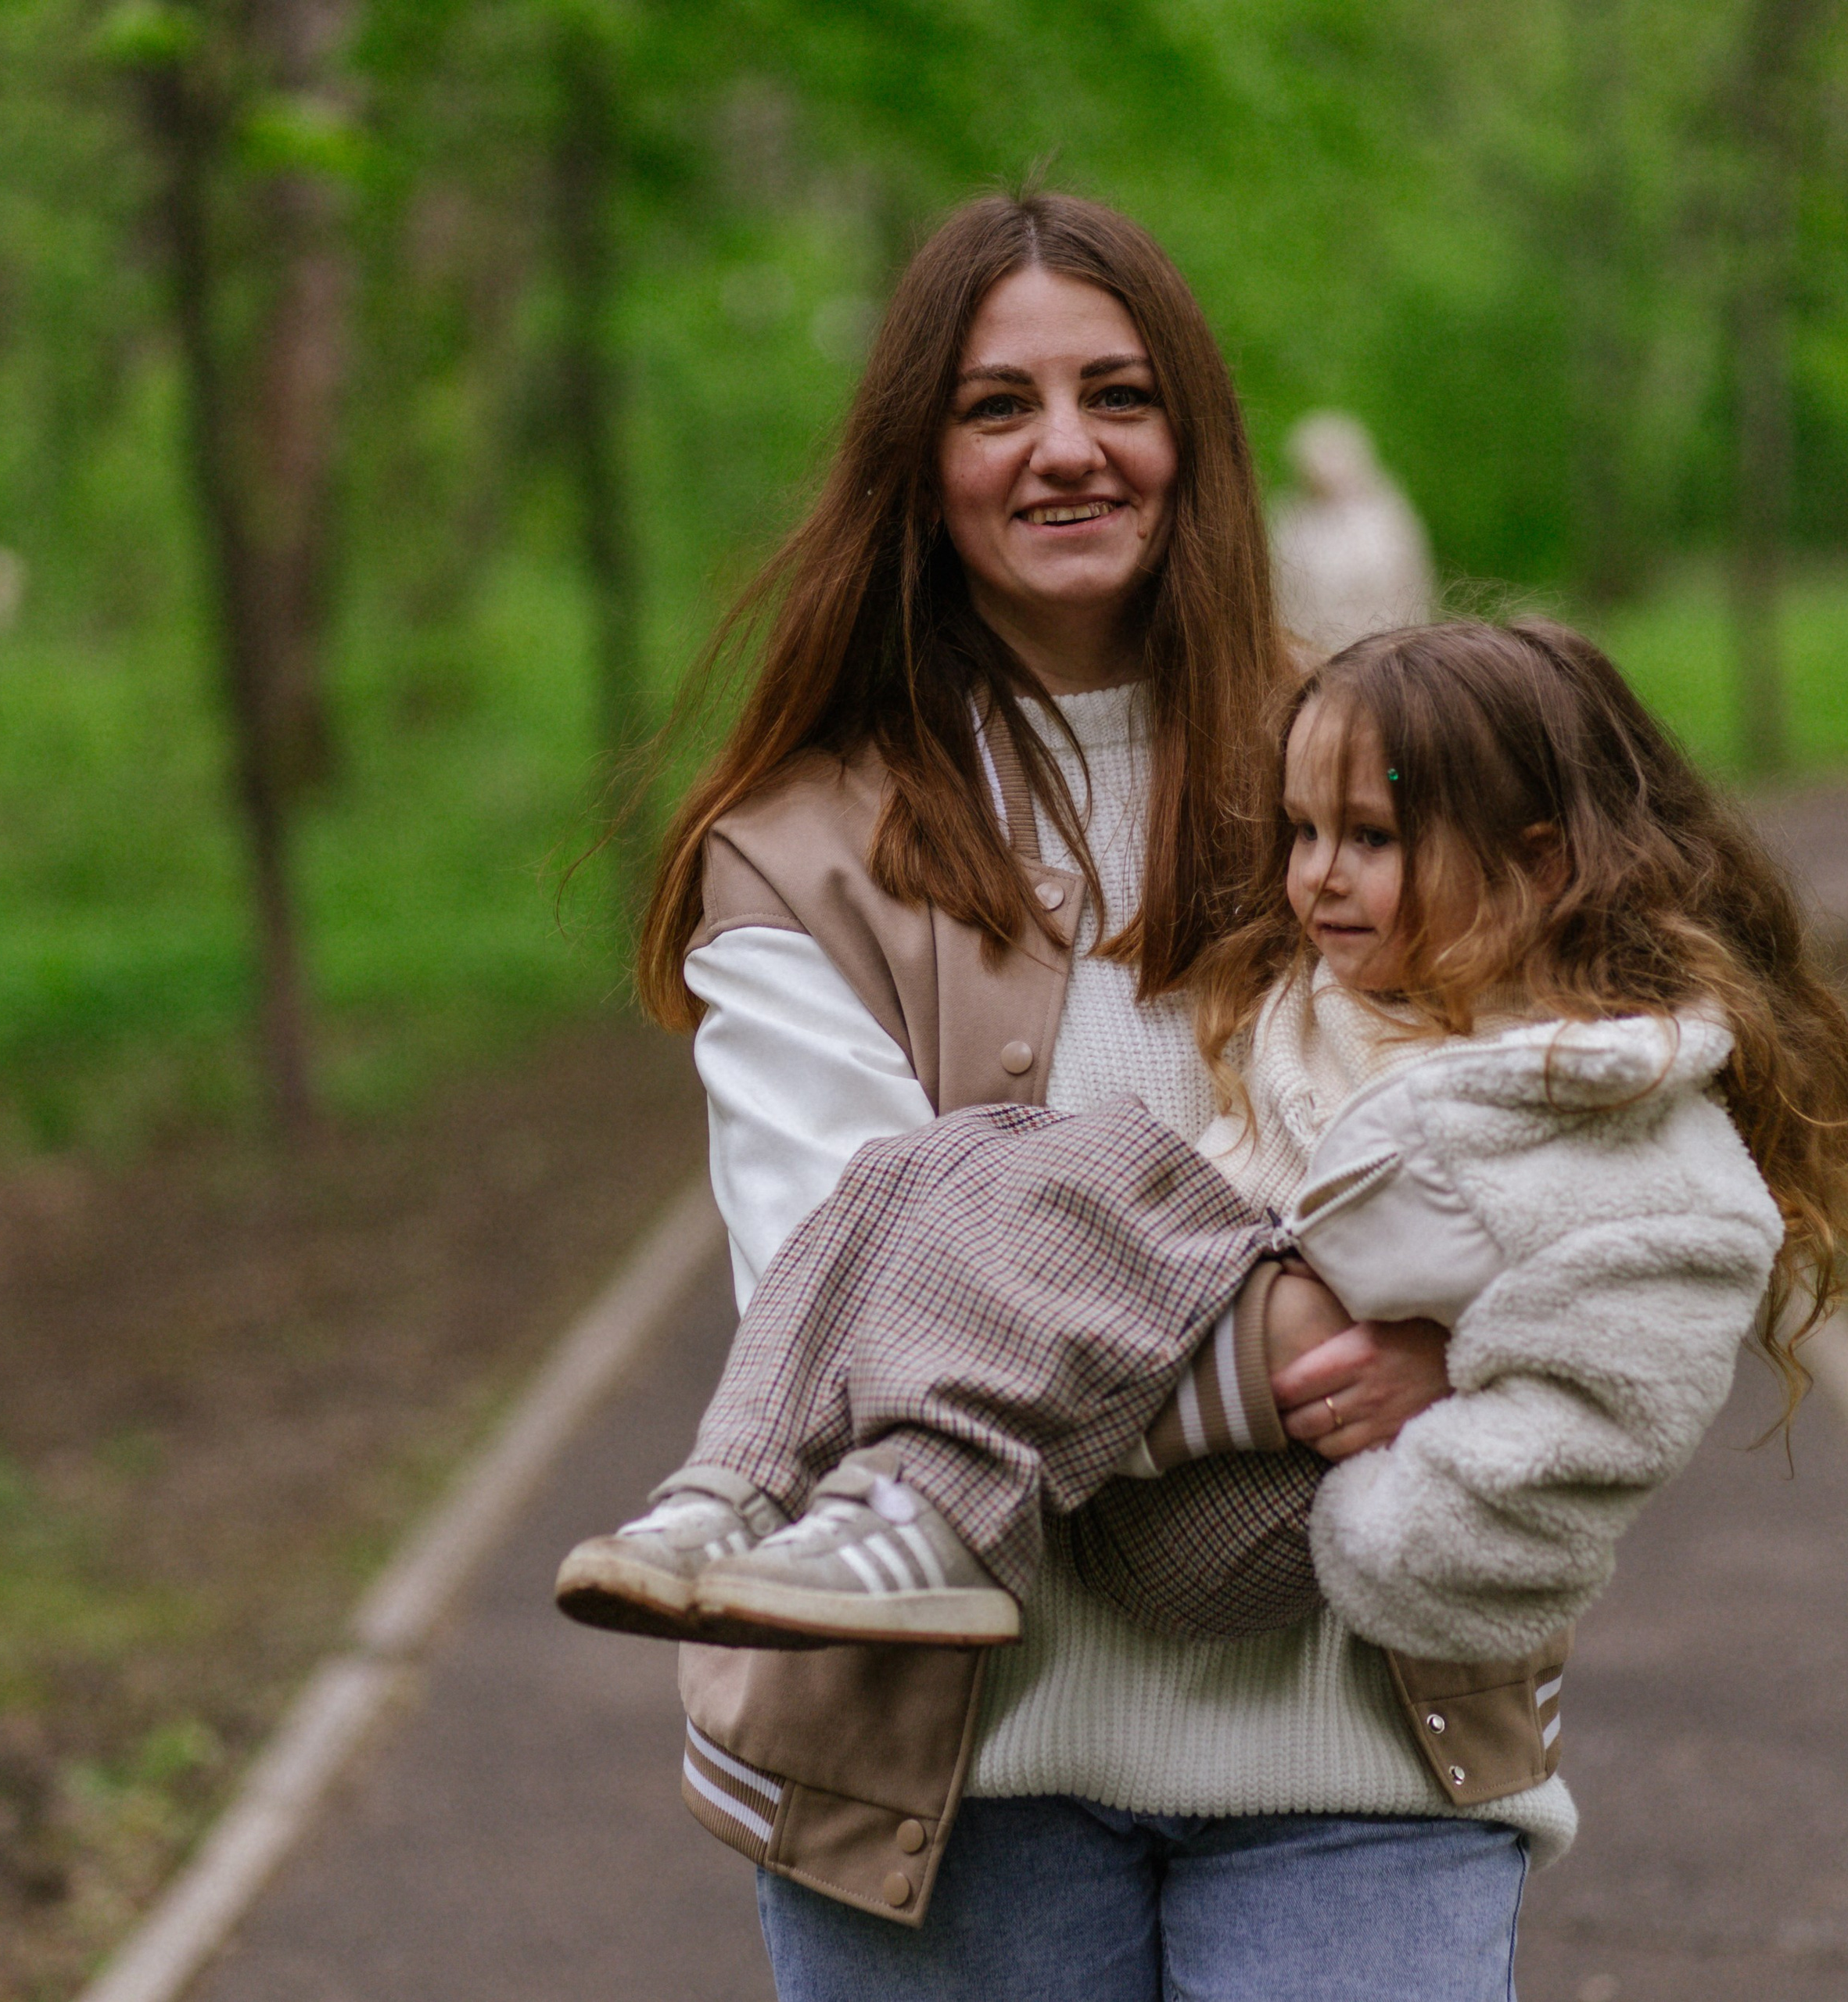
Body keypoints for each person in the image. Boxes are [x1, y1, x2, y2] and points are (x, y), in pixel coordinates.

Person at [601, 191, 1542, 2000]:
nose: (1063, 449)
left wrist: (1481, 1336)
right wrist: (1336, 1350)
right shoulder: (797, 854)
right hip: (949, 1769)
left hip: (1355, 1724)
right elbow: (857, 1307)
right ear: (916, 461)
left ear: (1187, 435)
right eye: (992, 406)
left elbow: (1561, 1129)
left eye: (1115, 393)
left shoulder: (1382, 769)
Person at [557, 620, 1826, 1674]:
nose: (1318, 879)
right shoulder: (1337, 1008)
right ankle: (734, 1491)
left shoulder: (1631, 1123)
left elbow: (1613, 1413)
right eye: (1304, 834)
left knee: (1104, 1163)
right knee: (938, 1159)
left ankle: (924, 1515)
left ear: (1539, 864)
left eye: (1371, 841)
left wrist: (1428, 1432)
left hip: (1285, 1524)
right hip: (1139, 1454)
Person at [1272, 411, 1434, 654]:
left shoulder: (1386, 517)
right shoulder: (1289, 522)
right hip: (1311, 649)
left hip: (1381, 649)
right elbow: (1281, 596)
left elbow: (1409, 587)